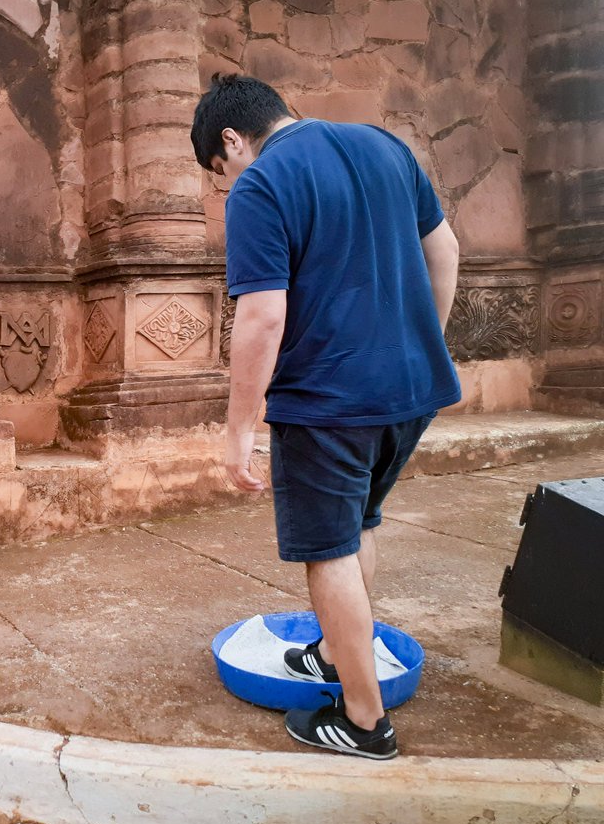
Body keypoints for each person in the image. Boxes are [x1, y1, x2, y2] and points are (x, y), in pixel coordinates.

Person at [190, 75, 461, 759]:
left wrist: (238, 431)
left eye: (222, 174)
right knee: (360, 523)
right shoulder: (386, 147)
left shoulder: (261, 184)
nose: (229, 186)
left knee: (327, 550)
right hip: (411, 392)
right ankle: (337, 657)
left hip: (327, 403)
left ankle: (365, 723)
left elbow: (260, 317)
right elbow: (445, 251)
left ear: (231, 140)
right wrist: (419, 345)